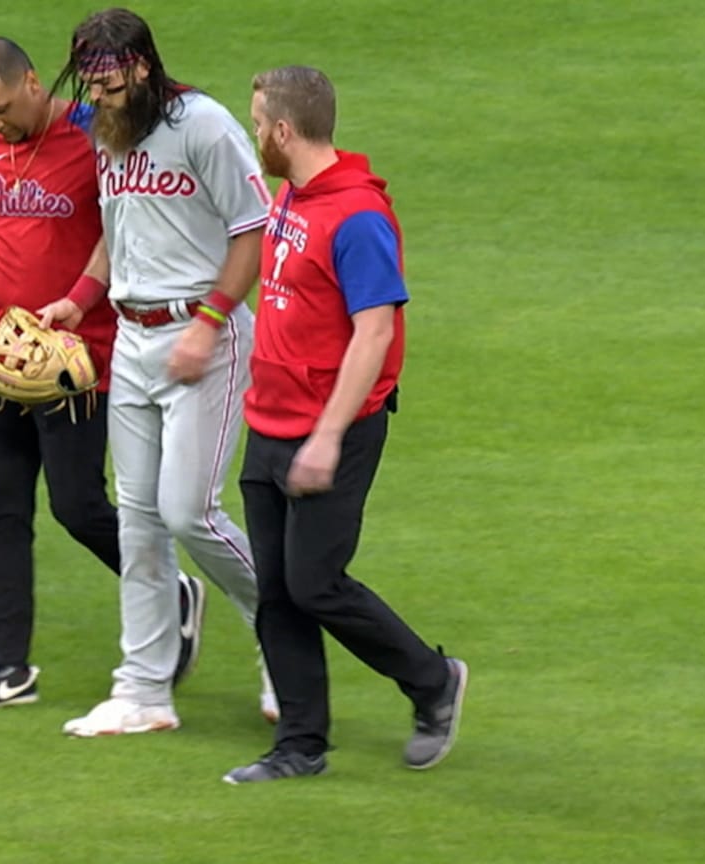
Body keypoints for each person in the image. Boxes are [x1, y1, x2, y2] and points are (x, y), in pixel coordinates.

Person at [0, 37, 206, 712]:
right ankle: (3, 669)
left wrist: (81, 304)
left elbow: (122, 226)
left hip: (78, 360)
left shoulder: (94, 133)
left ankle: (171, 593)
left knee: (76, 504)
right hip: (1, 354)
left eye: (2, 108)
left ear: (32, 81)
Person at [220, 66, 468, 783]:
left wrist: (327, 436)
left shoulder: (356, 217)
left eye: (257, 123)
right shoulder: (295, 196)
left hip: (332, 427)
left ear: (284, 131)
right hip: (270, 421)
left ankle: (433, 681)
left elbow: (374, 333)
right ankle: (300, 745)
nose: (254, 135)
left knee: (315, 582)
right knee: (276, 588)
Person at [40, 8, 276, 736]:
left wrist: (207, 326)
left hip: (203, 335)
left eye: (109, 85)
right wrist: (81, 299)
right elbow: (120, 229)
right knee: (138, 523)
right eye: (91, 87)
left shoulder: (203, 125)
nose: (98, 100)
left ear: (141, 67)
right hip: (135, 341)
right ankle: (143, 689)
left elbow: (252, 229)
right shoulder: (110, 132)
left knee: (189, 512)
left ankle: (286, 640)